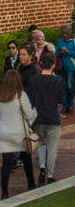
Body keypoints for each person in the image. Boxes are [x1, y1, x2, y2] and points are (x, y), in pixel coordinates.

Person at [30, 48, 65, 184]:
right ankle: (50, 174)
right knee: (52, 147)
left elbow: (31, 99)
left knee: (41, 144)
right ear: (54, 64)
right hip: (53, 117)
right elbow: (61, 101)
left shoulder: (34, 81)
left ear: (41, 63)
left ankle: (42, 168)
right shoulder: (58, 81)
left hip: (38, 117)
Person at [0, 68, 36, 198]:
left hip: (4, 133)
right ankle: (31, 184)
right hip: (20, 133)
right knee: (26, 159)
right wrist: (35, 113)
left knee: (6, 165)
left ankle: (4, 193)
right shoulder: (21, 95)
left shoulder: (1, 96)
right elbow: (29, 115)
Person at [55, 22, 75, 114]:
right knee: (63, 86)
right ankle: (65, 105)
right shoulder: (60, 40)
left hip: (71, 67)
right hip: (62, 66)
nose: (64, 35)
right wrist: (60, 51)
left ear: (70, 34)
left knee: (70, 87)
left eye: (66, 34)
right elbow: (56, 51)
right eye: (63, 33)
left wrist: (68, 51)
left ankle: (69, 104)